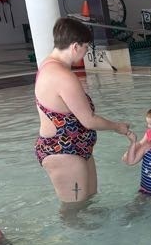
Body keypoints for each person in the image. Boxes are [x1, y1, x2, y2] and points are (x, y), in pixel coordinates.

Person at [34, 17, 130, 204]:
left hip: (76, 148)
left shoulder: (49, 65)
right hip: (63, 151)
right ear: (75, 46)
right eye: (86, 47)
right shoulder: (62, 76)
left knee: (89, 203)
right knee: (75, 211)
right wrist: (117, 126)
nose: (86, 52)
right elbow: (89, 120)